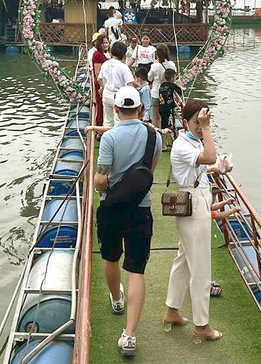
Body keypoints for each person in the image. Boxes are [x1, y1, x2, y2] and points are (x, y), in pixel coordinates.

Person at [95, 86, 162, 358]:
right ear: (140, 108)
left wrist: (102, 185)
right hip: (140, 208)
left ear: (116, 110)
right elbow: (149, 172)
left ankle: (117, 300)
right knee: (136, 270)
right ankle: (130, 334)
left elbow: (102, 178)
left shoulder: (110, 137)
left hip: (111, 208)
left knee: (111, 258)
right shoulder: (153, 135)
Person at [162, 99, 223, 341]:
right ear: (185, 121)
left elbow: (205, 164)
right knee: (200, 267)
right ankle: (201, 325)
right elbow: (209, 156)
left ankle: (172, 311)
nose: (201, 126)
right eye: (197, 122)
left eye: (204, 122)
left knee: (185, 262)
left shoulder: (191, 141)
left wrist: (217, 168)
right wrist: (208, 129)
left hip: (196, 201)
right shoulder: (182, 144)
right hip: (193, 204)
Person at [98, 41, 134, 128]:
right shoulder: (123, 67)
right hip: (118, 95)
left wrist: (102, 87)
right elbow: (130, 84)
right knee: (118, 121)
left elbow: (99, 79)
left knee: (107, 120)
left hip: (107, 93)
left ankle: (106, 138)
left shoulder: (106, 63)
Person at [148, 43, 177, 128]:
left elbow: (149, 78)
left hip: (156, 92)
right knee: (167, 115)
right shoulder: (171, 64)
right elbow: (174, 75)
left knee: (156, 116)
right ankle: (167, 131)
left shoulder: (155, 65)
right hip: (168, 92)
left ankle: (158, 133)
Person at [158, 68, 184, 149]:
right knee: (165, 126)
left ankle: (164, 142)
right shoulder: (171, 85)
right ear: (172, 78)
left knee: (164, 124)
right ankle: (163, 146)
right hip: (167, 108)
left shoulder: (162, 85)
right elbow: (180, 91)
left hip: (161, 107)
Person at [91, 35, 110, 126]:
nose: (106, 45)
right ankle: (99, 125)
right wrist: (102, 86)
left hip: (104, 82)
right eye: (104, 43)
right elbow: (97, 73)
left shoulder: (103, 53)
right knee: (101, 105)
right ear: (99, 44)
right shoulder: (98, 55)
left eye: (107, 42)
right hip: (100, 83)